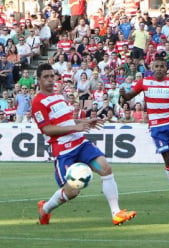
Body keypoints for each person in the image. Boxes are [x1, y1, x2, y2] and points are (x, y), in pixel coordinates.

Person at [31, 63, 136, 225]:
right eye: (46, 77)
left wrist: (84, 121)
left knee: (106, 168)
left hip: (80, 142)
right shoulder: (37, 102)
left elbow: (67, 121)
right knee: (72, 191)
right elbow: (46, 129)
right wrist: (76, 126)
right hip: (63, 150)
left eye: (52, 76)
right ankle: (45, 209)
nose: (51, 80)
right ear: (39, 80)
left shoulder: (59, 96)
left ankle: (116, 213)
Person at [119, 56, 169, 202]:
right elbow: (128, 96)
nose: (159, 69)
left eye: (162, 66)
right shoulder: (144, 82)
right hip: (156, 127)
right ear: (152, 68)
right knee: (167, 158)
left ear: (166, 69)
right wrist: (122, 94)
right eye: (156, 66)